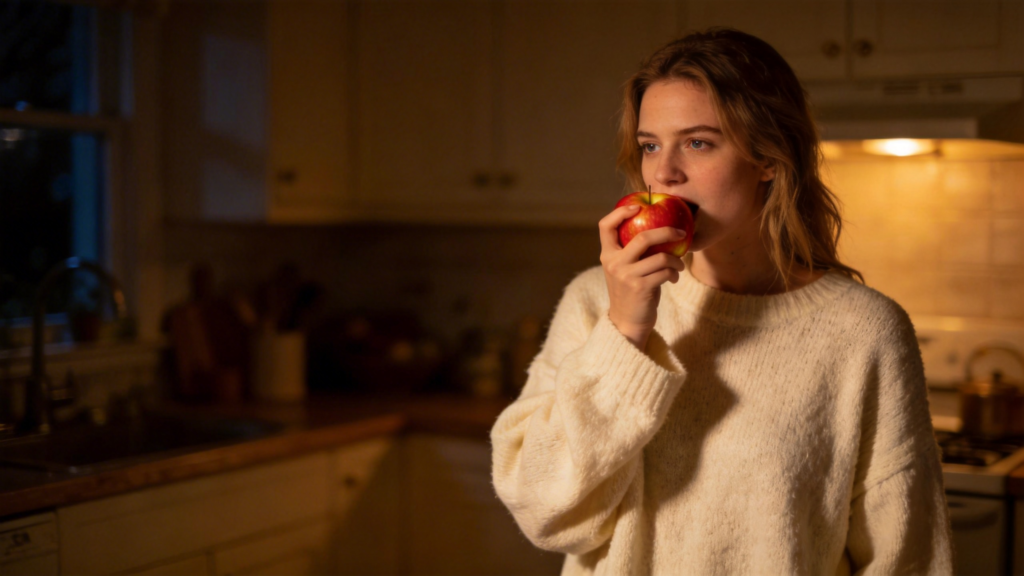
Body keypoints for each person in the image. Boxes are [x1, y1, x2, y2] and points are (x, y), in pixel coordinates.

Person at [490, 28, 953, 575]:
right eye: (650, 145)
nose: (664, 173)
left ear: (770, 159)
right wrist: (624, 335)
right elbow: (546, 513)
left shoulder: (864, 331)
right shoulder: (596, 301)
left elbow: (907, 560)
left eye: (699, 142)